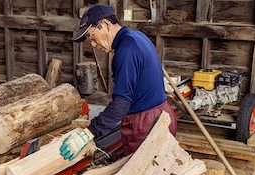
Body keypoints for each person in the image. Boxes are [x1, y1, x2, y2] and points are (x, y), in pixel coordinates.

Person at [60, 3, 177, 160]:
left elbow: (121, 104)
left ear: (105, 25)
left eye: (91, 36)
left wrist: (89, 133)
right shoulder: (137, 37)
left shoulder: (126, 51)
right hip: (161, 114)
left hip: (146, 125)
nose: (93, 44)